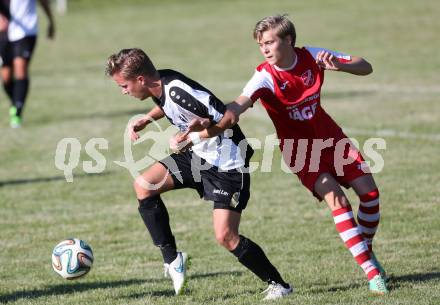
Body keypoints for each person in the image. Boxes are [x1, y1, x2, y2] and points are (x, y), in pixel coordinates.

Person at [175, 14, 389, 294]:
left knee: (370, 196)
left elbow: (366, 67)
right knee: (337, 200)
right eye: (260, 44)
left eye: (269, 42)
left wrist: (340, 65)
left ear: (288, 40)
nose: (264, 49)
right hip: (300, 149)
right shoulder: (264, 75)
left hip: (331, 138)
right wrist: (208, 123)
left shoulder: (312, 56)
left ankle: (366, 251)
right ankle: (372, 273)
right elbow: (237, 106)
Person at [105, 48, 292, 299]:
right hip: (198, 157)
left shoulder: (176, 89)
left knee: (226, 236)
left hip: (227, 164)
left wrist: (193, 135)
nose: (123, 91)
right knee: (144, 185)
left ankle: (280, 285)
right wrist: (147, 119)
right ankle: (173, 260)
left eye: (124, 85)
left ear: (140, 79)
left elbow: (226, 118)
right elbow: (176, 109)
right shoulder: (159, 85)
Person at [2, 0, 55, 128]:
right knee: (6, 77)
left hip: (26, 32)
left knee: (21, 70)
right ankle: (16, 102)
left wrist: (51, 21)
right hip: (4, 34)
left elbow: (43, 2)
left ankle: (17, 113)